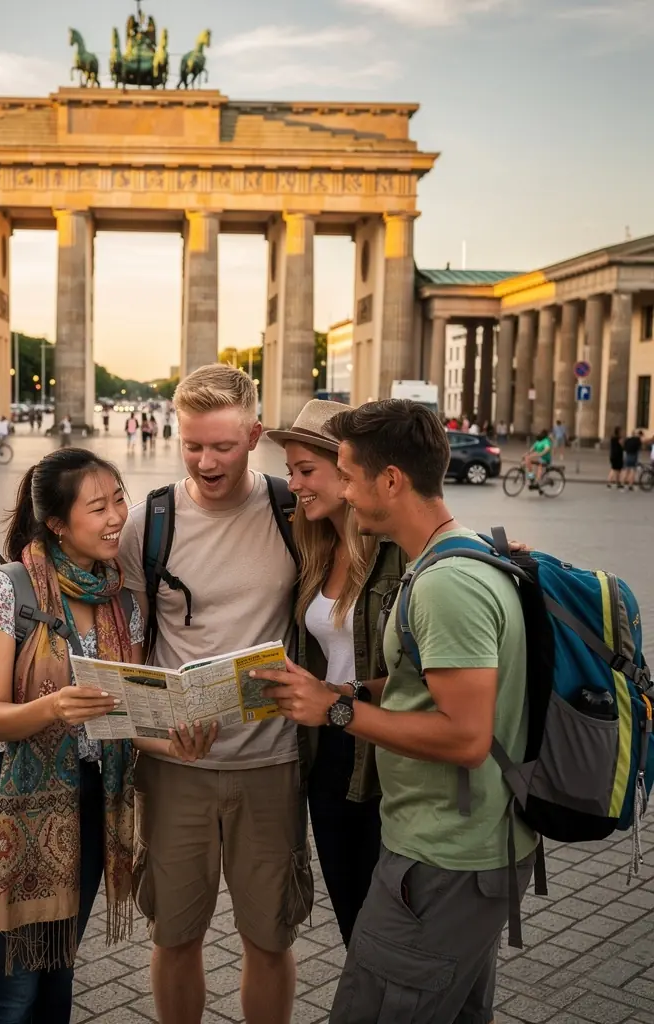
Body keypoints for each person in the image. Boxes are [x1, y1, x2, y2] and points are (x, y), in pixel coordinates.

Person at [253, 400, 536, 1024]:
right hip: (457, 849)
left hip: (442, 857)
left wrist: (335, 714)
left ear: (390, 481)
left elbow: (465, 737)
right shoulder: (447, 558)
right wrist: (349, 693)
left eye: (347, 476)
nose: (342, 492)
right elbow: (420, 686)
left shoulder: (444, 583)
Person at [0, 449, 212, 1022]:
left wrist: (176, 743)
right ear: (58, 524)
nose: (118, 516)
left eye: (120, 499)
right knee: (11, 989)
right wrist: (53, 707)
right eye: (98, 507)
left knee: (57, 974)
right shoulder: (2, 592)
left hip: (86, 800)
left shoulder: (121, 603)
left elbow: (129, 716)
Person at [118, 365, 313, 1024]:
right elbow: (126, 646)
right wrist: (152, 729)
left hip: (271, 762)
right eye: (192, 444)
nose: (205, 461)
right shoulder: (151, 520)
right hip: (175, 768)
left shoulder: (295, 511)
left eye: (223, 446)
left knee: (269, 938)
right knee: (173, 936)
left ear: (254, 435)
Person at [263, 400, 406, 948]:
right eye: (289, 471)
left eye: (307, 471)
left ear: (348, 472)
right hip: (328, 755)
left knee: (392, 928)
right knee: (354, 921)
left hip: (386, 753)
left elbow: (424, 674)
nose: (294, 485)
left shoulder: (399, 553)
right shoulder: (314, 547)